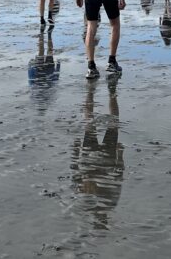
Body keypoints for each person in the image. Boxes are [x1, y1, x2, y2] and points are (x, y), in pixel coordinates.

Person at [72, 74, 123, 229]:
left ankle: (98, 94)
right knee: (92, 124)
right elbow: (76, 178)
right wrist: (75, 152)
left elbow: (119, 177)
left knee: (111, 121)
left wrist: (120, 155)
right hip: (93, 159)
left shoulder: (107, 204)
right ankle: (97, 93)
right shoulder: (93, 205)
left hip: (103, 159)